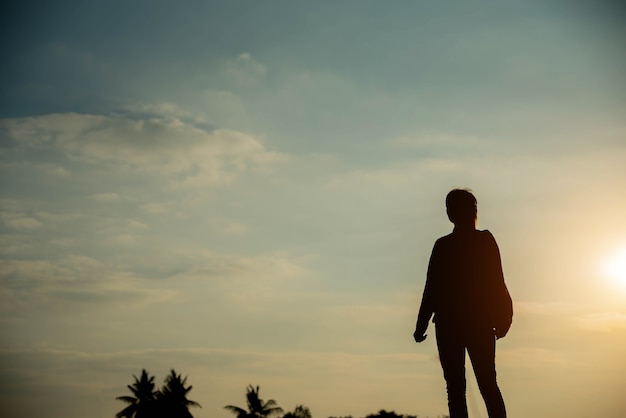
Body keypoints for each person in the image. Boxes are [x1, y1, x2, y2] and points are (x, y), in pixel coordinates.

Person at [413, 189, 512, 418]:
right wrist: (421, 324)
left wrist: (505, 317)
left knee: (471, 386)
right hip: (460, 325)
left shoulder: (466, 243)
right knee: (473, 385)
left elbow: (496, 282)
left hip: (465, 324)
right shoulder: (448, 245)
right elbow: (433, 288)